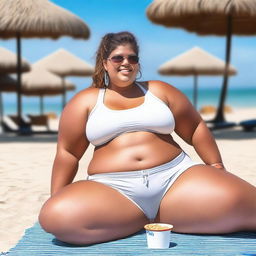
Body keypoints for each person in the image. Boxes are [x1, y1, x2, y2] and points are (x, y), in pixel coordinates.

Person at [39, 31, 256, 245]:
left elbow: (195, 127)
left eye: (132, 58)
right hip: (114, 189)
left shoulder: (160, 91)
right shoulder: (85, 100)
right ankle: (141, 218)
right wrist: (56, 196)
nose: (126, 62)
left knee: (250, 204)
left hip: (176, 178)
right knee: (55, 217)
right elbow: (67, 152)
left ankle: (161, 215)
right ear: (105, 63)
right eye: (118, 57)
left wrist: (215, 164)